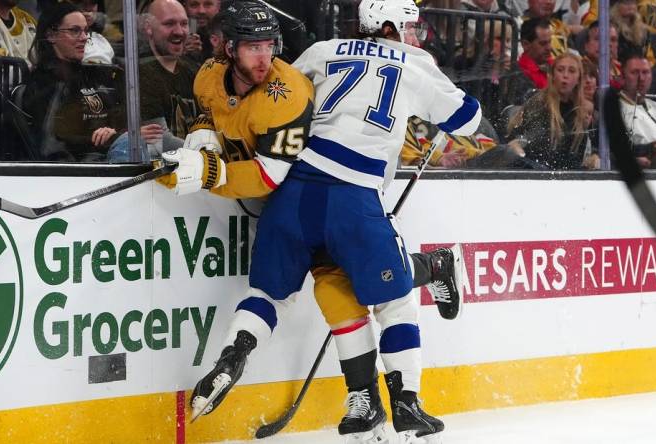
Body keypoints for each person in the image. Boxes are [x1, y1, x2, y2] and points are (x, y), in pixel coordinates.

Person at [162, 0, 479, 441]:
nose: (415, 35)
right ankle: (407, 401)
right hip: (353, 196)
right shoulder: (417, 63)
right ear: (391, 26)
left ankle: (252, 356)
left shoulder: (323, 50)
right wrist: (428, 108)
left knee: (299, 294)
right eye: (410, 26)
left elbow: (285, 91)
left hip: (290, 195)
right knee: (394, 299)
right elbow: (469, 119)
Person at [16, 2, 157, 161]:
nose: (84, 38)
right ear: (51, 35)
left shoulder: (92, 75)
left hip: (113, 159)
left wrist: (121, 133)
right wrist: (116, 137)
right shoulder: (42, 86)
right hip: (81, 175)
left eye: (85, 31)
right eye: (75, 31)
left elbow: (119, 117)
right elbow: (56, 145)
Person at [508, 52, 593, 169]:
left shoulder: (581, 113)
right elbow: (534, 148)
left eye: (572, 71)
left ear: (579, 79)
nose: (565, 75)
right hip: (534, 170)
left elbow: (576, 158)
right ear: (553, 75)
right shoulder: (539, 103)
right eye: (560, 70)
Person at [138, 0, 199, 139]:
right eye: (169, 24)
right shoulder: (140, 74)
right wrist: (204, 153)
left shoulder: (194, 71)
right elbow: (159, 141)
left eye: (184, 24)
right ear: (148, 28)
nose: (179, 31)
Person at [618, 52, 656, 169]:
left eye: (645, 72)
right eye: (634, 72)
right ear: (622, 77)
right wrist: (651, 150)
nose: (641, 78)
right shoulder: (614, 111)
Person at [518, 18, 553, 90]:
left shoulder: (554, 65)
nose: (549, 48)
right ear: (525, 45)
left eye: (550, 42)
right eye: (543, 43)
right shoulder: (521, 75)